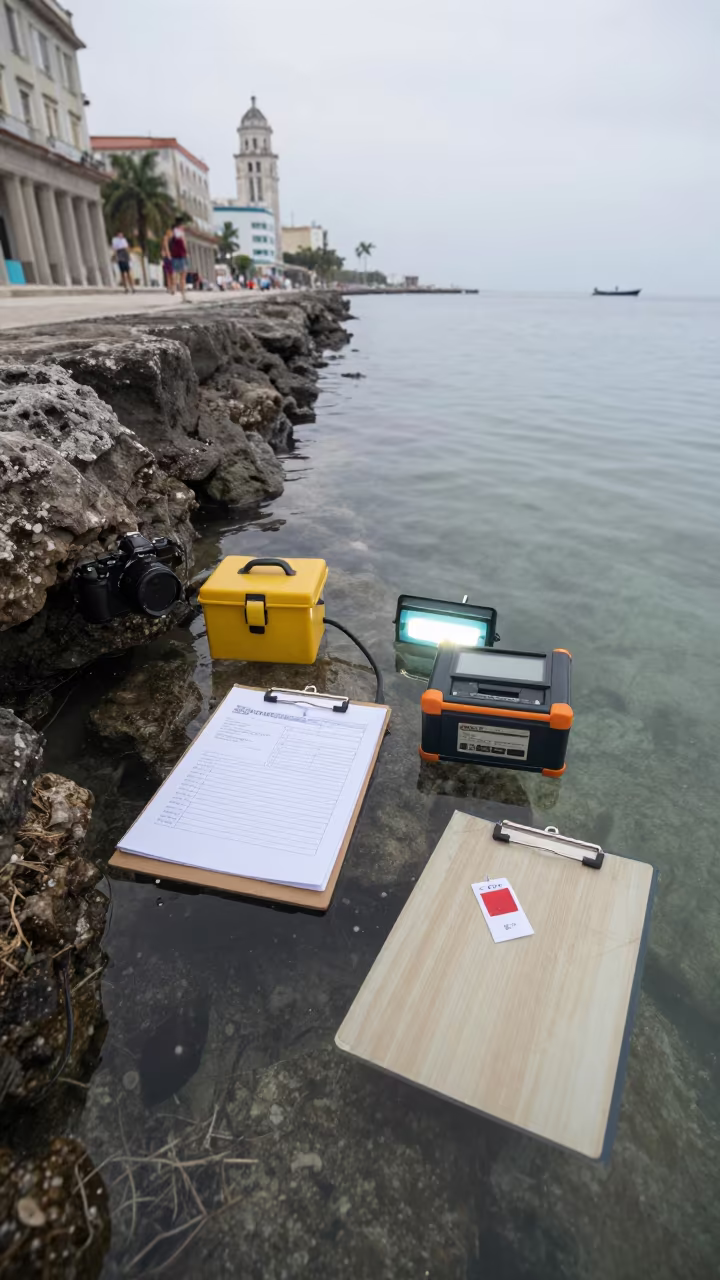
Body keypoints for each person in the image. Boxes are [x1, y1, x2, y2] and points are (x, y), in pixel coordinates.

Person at [168, 220, 189, 302]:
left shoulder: (172, 233)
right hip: (181, 255)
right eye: (182, 225)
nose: (183, 227)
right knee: (183, 276)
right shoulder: (180, 233)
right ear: (179, 226)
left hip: (174, 255)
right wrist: (186, 253)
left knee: (175, 272)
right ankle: (183, 294)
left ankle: (174, 287)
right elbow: (184, 244)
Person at [160, 229, 174, 293]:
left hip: (170, 257)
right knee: (169, 273)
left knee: (170, 273)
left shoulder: (172, 240)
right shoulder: (166, 238)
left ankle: (171, 287)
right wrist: (168, 256)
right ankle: (170, 287)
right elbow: (165, 248)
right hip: (168, 258)